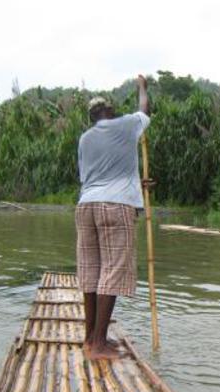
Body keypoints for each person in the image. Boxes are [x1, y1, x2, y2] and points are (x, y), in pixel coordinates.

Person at [76, 75, 150, 360]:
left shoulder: (85, 138)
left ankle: (90, 338)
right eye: (111, 108)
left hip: (86, 206)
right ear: (106, 112)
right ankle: (98, 346)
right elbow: (144, 109)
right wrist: (142, 87)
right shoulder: (126, 125)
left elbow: (91, 177)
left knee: (91, 271)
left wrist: (133, 183)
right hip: (115, 206)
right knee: (112, 270)